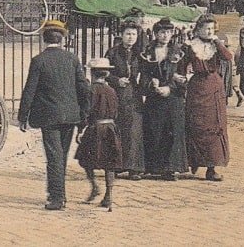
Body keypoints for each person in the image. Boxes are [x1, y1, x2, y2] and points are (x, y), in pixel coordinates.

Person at [18, 19, 91, 211]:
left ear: (44, 38)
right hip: (70, 116)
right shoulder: (72, 59)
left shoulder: (39, 60)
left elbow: (29, 91)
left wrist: (23, 117)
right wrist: (84, 113)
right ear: (62, 39)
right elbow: (83, 89)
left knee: (54, 157)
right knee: (62, 156)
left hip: (48, 117)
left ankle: (57, 197)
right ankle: (59, 194)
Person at [179, 14, 233, 181]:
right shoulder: (191, 46)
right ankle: (194, 161)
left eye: (211, 28)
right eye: (206, 28)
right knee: (195, 125)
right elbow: (181, 66)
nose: (209, 31)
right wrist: (182, 80)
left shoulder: (216, 46)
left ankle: (212, 167)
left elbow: (228, 57)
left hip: (214, 88)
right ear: (199, 29)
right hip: (197, 88)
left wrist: (217, 41)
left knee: (214, 126)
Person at [139, 19, 187, 180]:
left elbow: (184, 75)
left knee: (171, 132)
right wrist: (151, 84)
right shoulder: (148, 52)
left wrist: (171, 87)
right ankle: (153, 166)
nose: (165, 35)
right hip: (155, 98)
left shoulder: (178, 52)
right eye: (162, 32)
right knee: (154, 131)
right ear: (156, 34)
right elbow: (144, 74)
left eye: (168, 32)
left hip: (173, 98)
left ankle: (170, 169)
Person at [75, 57, 123, 211]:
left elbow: (86, 111)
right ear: (107, 74)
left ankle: (95, 186)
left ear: (92, 73)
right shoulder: (112, 90)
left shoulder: (91, 90)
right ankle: (108, 195)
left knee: (85, 159)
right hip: (110, 127)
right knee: (110, 162)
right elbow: (116, 111)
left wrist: (80, 129)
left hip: (95, 128)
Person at [104, 20, 145, 180]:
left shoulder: (139, 54)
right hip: (117, 96)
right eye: (128, 34)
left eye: (134, 34)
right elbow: (105, 73)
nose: (130, 37)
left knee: (134, 130)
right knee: (119, 129)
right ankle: (118, 166)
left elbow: (146, 71)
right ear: (121, 35)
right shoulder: (113, 53)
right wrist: (116, 80)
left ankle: (134, 168)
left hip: (134, 95)